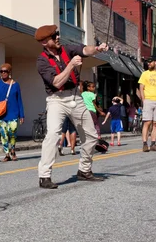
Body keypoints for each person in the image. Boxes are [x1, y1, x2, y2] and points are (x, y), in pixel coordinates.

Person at [35, 25, 108, 189]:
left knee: (91, 135)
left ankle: (84, 170)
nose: (58, 37)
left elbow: (85, 50)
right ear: (45, 42)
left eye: (57, 34)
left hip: (76, 96)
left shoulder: (66, 49)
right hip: (56, 100)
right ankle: (44, 176)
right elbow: (56, 82)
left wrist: (97, 49)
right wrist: (70, 66)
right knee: (53, 135)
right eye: (54, 36)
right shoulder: (41, 61)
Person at [0, 63, 24, 161]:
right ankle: (7, 154)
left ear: (9, 72)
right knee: (3, 134)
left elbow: (19, 100)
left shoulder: (15, 85)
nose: (3, 73)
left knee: (12, 132)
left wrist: (21, 115)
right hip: (1, 114)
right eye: (1, 71)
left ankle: (13, 149)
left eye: (5, 71)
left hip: (13, 113)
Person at [138, 57, 156, 152]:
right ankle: (145, 144)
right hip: (148, 100)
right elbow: (141, 88)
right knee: (147, 122)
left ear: (155, 62)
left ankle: (153, 144)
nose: (148, 64)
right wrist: (144, 100)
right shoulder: (144, 74)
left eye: (150, 62)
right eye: (148, 62)